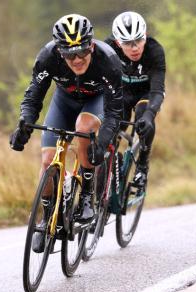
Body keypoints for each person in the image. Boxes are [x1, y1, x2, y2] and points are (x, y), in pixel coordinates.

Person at [9, 14, 123, 226]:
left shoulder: (108, 60)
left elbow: (115, 111)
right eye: (70, 55)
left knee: (84, 126)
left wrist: (102, 142)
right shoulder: (47, 57)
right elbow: (33, 95)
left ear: (91, 45)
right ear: (60, 52)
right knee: (47, 160)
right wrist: (24, 124)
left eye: (82, 51)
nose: (77, 59)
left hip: (96, 101)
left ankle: (87, 196)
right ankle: (49, 212)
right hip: (64, 101)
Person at [105, 11, 166, 190]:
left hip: (145, 94)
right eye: (127, 43)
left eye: (138, 40)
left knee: (143, 117)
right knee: (112, 128)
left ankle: (142, 165)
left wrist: (150, 114)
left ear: (145, 36)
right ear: (117, 42)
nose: (134, 48)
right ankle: (110, 163)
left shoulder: (155, 50)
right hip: (121, 93)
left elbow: (157, 90)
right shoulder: (108, 50)